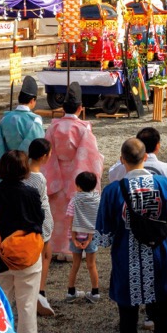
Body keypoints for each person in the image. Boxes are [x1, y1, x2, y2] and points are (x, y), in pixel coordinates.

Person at [94, 137, 167, 333]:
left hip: (126, 263)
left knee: (128, 320)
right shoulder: (163, 184)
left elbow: (103, 237)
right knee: (162, 315)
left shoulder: (113, 191)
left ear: (122, 160)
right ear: (145, 158)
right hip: (158, 260)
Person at [0, 148, 50, 333]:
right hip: (27, 258)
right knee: (27, 310)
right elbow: (39, 221)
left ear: (1, 168)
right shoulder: (31, 193)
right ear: (24, 169)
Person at [45, 92, 102, 259]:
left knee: (57, 211)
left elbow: (47, 154)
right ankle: (72, 248)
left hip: (55, 172)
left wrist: (50, 176)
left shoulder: (53, 127)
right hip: (77, 173)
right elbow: (90, 155)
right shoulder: (83, 129)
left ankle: (54, 247)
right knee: (74, 211)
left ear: (63, 108)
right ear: (80, 108)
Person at [0, 78, 48, 186]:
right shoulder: (35, 120)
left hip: (8, 170)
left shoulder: (5, 119)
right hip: (27, 171)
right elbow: (37, 149)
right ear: (32, 100)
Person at [65, 170, 101, 300]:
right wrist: (90, 238)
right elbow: (96, 220)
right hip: (91, 237)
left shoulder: (75, 200)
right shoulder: (97, 200)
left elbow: (71, 218)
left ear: (78, 186)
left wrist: (74, 238)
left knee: (75, 264)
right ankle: (95, 292)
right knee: (92, 265)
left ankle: (71, 292)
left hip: (76, 236)